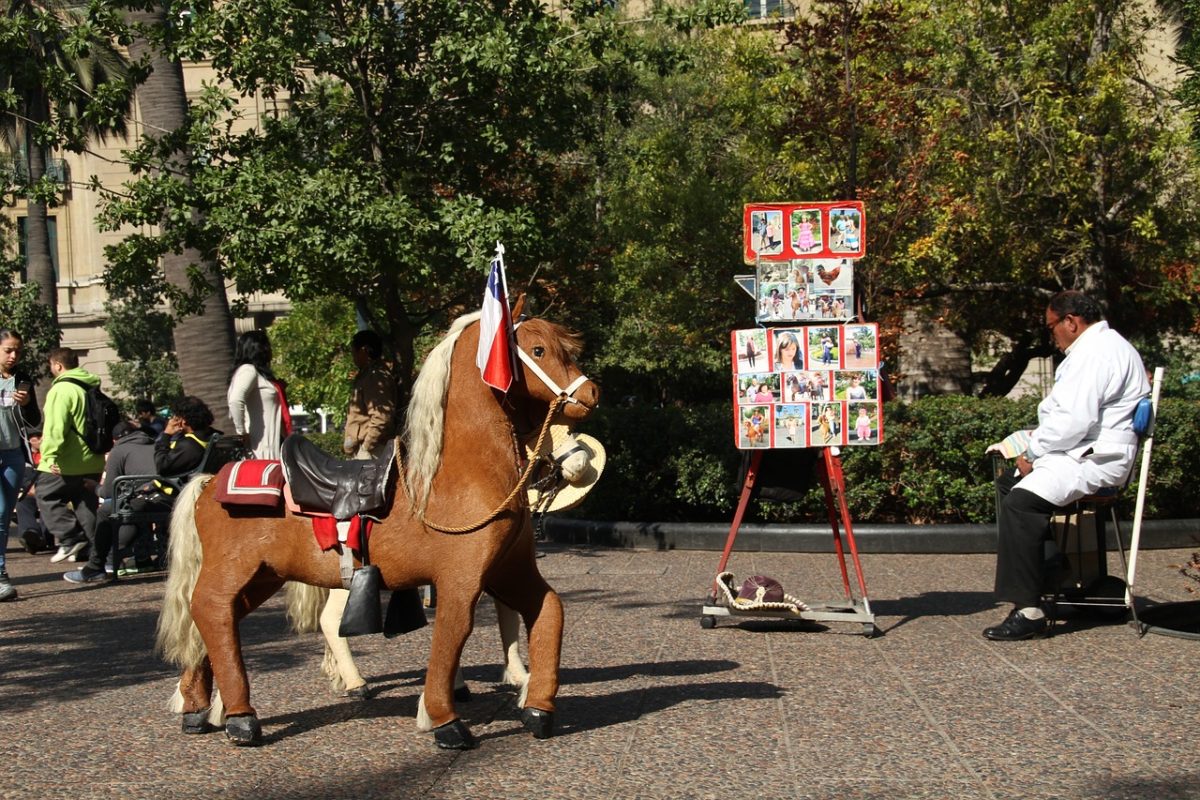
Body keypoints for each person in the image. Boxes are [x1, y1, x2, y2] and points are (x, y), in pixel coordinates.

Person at [983, 291, 1149, 641]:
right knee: (1008, 484)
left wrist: (1033, 452)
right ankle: (1052, 567)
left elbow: (1073, 420)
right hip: (1088, 451)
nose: (1052, 336)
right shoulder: (1107, 346)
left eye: (1051, 327)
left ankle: (1028, 610)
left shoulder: (1094, 354)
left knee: (1019, 504)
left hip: (1094, 459)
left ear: (1071, 321)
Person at [65, 398, 215, 584]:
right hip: (180, 493)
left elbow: (162, 466)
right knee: (137, 497)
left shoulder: (189, 445)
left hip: (171, 499)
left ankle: (95, 568)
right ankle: (141, 558)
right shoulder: (209, 437)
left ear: (183, 420)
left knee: (107, 509)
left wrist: (167, 434)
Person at [36, 348, 106, 568]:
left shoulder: (62, 389)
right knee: (86, 506)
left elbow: (56, 427)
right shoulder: (92, 387)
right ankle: (101, 556)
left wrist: (49, 456)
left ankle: (70, 538)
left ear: (57, 365)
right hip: (93, 457)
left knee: (46, 495)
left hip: (67, 460)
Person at [0, 330, 41, 601]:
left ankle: (0, 574)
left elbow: (34, 418)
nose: (13, 356)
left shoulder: (22, 379)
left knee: (2, 514)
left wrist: (26, 405)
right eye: (8, 351)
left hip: (13, 454)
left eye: (18, 351)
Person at [228, 330, 290, 460]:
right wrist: (242, 432)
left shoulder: (258, 374)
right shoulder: (248, 370)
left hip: (274, 443)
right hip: (261, 448)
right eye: (267, 346)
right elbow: (235, 400)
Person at [342, 330, 398, 460]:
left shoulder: (375, 377)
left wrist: (366, 448)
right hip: (367, 449)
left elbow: (381, 416)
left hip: (373, 451)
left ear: (364, 350)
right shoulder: (368, 375)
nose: (353, 356)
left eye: (354, 352)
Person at [16, 428, 51, 555]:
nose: (39, 439)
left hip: (50, 488)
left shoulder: (51, 452)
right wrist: (29, 487)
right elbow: (22, 477)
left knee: (47, 500)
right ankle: (30, 533)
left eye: (41, 435)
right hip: (30, 490)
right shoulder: (25, 457)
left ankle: (41, 539)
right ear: (29, 440)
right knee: (23, 502)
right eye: (35, 436)